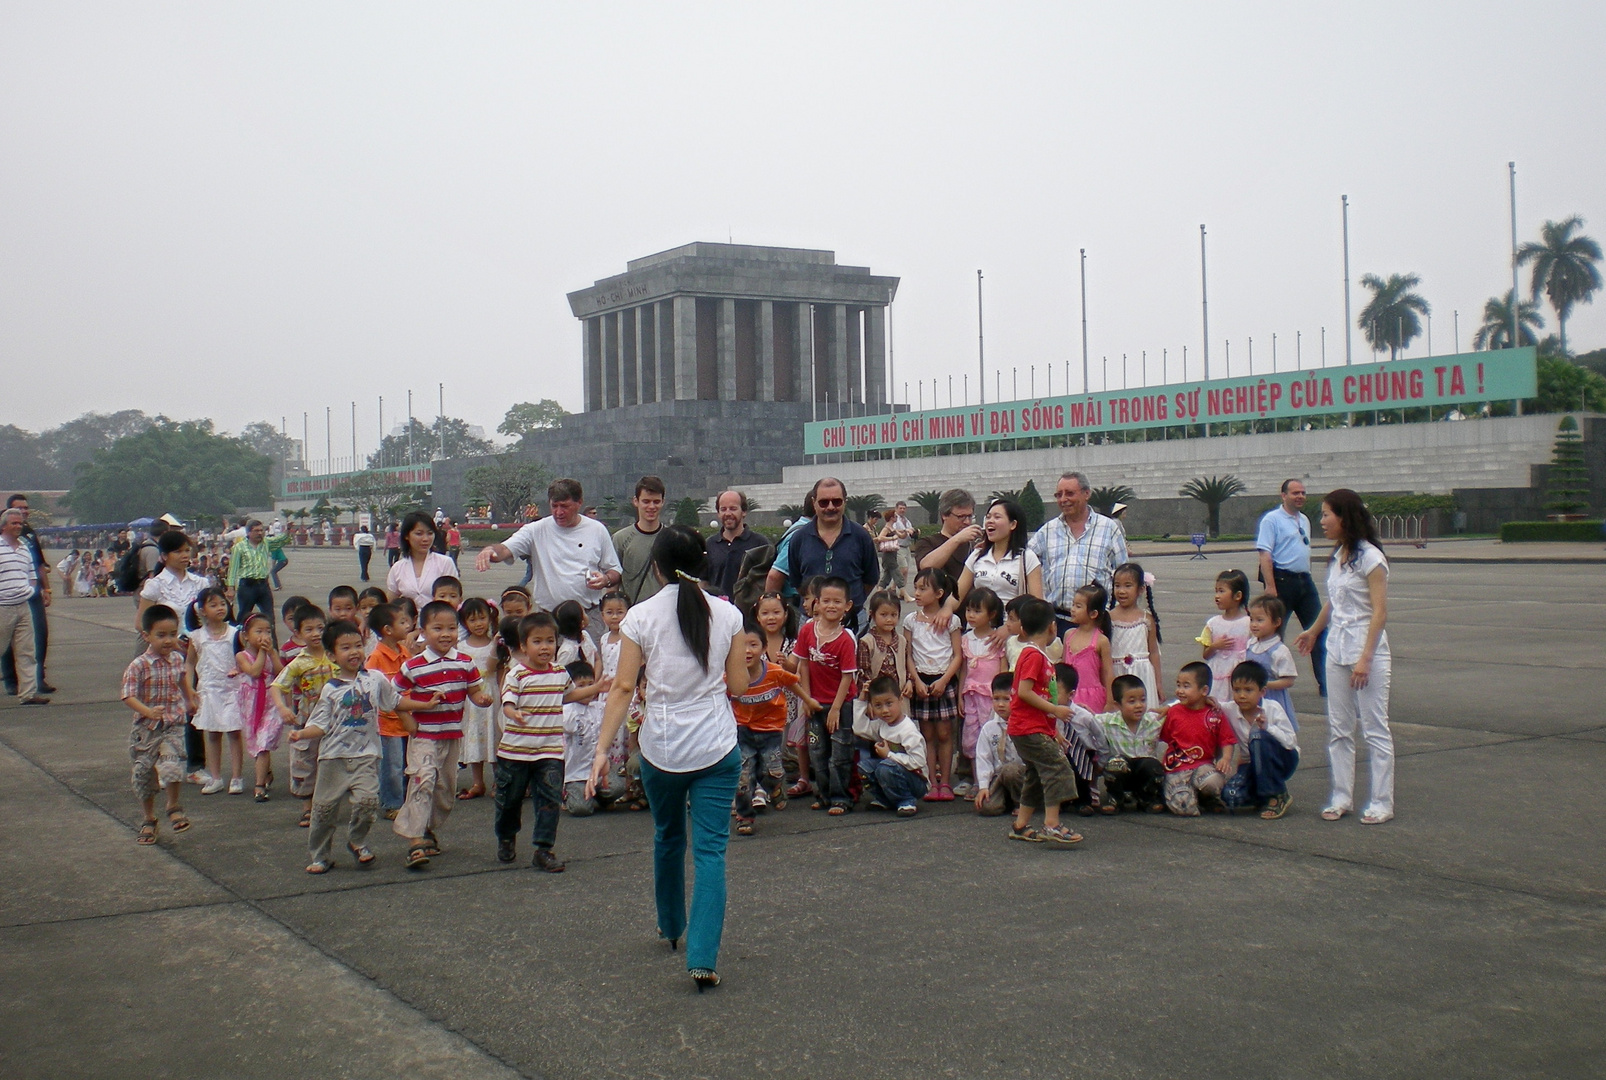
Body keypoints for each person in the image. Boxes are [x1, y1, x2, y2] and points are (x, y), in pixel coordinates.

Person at [585, 526, 749, 991]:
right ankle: (702, 956)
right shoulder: (728, 615)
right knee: (711, 851)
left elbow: (621, 687)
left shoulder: (639, 617)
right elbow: (737, 687)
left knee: (667, 835)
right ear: (703, 563)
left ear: (655, 567)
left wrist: (600, 752)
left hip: (660, 747)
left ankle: (670, 924)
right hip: (716, 746)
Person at [291, 619, 431, 873]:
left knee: (367, 803)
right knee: (324, 810)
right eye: (345, 648)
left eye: (358, 645)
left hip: (367, 755)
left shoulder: (375, 679)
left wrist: (425, 706)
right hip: (334, 757)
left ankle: (357, 841)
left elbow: (396, 702)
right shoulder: (330, 690)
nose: (354, 652)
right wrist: (301, 734)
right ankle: (320, 855)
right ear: (332, 655)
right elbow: (320, 725)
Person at [1296, 488, 1394, 825]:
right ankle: (1342, 796)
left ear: (1344, 517)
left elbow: (1379, 613)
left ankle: (1381, 801)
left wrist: (1366, 658)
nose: (1321, 521)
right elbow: (1333, 601)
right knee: (1339, 728)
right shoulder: (1339, 556)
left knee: (1374, 728)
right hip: (1336, 649)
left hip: (1367, 651)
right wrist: (1313, 631)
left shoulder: (1370, 558)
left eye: (1326, 514)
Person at [392, 600, 495, 867]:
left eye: (451, 627)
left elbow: (474, 690)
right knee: (422, 780)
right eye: (437, 628)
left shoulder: (464, 662)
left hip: (451, 736)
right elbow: (392, 694)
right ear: (423, 631)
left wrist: (481, 698)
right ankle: (415, 841)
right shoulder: (413, 665)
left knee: (444, 790)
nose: (445, 634)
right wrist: (407, 719)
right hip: (424, 735)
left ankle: (426, 828)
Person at [477, 478, 623, 621]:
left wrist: (606, 579)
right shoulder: (536, 530)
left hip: (587, 616)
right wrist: (490, 551)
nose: (558, 512)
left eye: (564, 506)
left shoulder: (597, 530)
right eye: (554, 506)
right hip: (549, 618)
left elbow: (614, 570)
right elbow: (505, 549)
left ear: (579, 503)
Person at [1004, 597, 1083, 846]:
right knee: (1057, 768)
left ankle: (1020, 825)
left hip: (1033, 727)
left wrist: (1053, 731)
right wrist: (1056, 710)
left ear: (1024, 629)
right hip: (1027, 728)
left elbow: (1037, 695)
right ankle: (1052, 824)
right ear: (1052, 627)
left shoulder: (1039, 656)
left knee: (1037, 775)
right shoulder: (1033, 656)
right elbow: (1025, 693)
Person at [121, 604, 196, 844]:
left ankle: (173, 805)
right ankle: (149, 818)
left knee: (173, 763)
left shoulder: (177, 659)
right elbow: (128, 695)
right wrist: (148, 711)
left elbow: (182, 680)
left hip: (172, 723)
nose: (168, 640)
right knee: (143, 773)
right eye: (161, 635)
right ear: (146, 636)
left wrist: (190, 697)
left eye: (172, 634)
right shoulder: (139, 665)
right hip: (145, 730)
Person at [764, 478, 879, 626]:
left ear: (845, 501)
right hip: (810, 623)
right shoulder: (799, 538)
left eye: (836, 501)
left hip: (853, 623)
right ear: (814, 503)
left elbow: (870, 579)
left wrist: (847, 603)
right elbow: (798, 583)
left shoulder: (861, 536)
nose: (830, 507)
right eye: (823, 502)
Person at [1030, 472, 1129, 637]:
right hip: (1056, 623)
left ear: (1086, 494)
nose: (1063, 499)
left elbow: (1124, 574)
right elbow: (1024, 562)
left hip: (1095, 624)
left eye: (1069, 493)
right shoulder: (1047, 531)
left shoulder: (1108, 528)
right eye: (1059, 495)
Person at [729, 619, 803, 835]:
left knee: (771, 771)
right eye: (741, 645)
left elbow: (792, 682)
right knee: (743, 777)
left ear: (763, 648)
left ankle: (774, 787)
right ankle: (744, 816)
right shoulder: (730, 676)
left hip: (771, 732)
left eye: (753, 644)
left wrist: (808, 701)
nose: (747, 650)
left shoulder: (772, 671)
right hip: (743, 732)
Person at [1256, 479, 1327, 696]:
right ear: (1283, 495)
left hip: (1305, 582)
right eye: (1295, 493)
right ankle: (1266, 682)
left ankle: (1326, 684)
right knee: (1273, 634)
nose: (1300, 496)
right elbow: (1265, 554)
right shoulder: (1272, 520)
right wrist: (1270, 587)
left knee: (1319, 631)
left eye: (1303, 493)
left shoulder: (1304, 520)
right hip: (1282, 582)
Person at [796, 577, 859, 815]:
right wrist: (807, 698)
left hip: (840, 705)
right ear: (816, 604)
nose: (831, 606)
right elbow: (803, 666)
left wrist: (835, 709)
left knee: (840, 753)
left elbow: (847, 678)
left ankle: (841, 798)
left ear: (847, 606)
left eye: (837, 601)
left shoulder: (845, 639)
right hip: (814, 701)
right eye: (826, 601)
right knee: (817, 751)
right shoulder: (806, 631)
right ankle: (822, 794)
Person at [271, 606, 332, 822]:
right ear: (298, 634)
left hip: (335, 723)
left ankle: (327, 806)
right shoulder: (299, 663)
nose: (316, 633)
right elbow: (277, 686)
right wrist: (283, 708)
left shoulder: (335, 657)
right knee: (306, 764)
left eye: (320, 628)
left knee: (332, 764)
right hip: (307, 722)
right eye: (309, 629)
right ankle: (308, 808)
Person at [905, 568, 961, 801]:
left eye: (922, 588)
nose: (916, 593)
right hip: (922, 681)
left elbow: (958, 655)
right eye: (915, 588)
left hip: (943, 679)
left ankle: (946, 781)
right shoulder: (910, 620)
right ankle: (931, 782)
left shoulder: (952, 621)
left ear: (939, 593)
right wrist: (915, 679)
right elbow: (907, 653)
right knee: (927, 733)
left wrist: (945, 680)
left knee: (945, 732)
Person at [1219, 661, 1299, 819]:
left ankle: (1276, 795)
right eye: (1237, 690)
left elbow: (1290, 742)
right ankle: (1262, 795)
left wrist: (1268, 728)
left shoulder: (1273, 708)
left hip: (1282, 760)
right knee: (1231, 796)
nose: (1242, 695)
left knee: (1257, 736)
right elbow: (1204, 701)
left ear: (1262, 691)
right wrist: (1170, 707)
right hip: (1252, 764)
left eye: (1248, 690)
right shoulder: (1230, 709)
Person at [1160, 661, 1237, 816]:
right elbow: (1166, 738)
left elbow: (1227, 740)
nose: (1180, 691)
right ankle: (1185, 796)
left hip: (1203, 767)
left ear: (1204, 690)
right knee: (1184, 807)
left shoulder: (1214, 715)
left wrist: (1226, 759)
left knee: (1213, 782)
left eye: (1186, 686)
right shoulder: (1173, 712)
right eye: (1178, 685)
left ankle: (1205, 797)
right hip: (1176, 770)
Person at [1087, 674, 1165, 814]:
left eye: (1143, 700)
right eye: (1132, 701)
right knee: (1115, 762)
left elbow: (1182, 709)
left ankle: (1148, 799)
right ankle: (1116, 800)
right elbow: (1086, 721)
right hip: (1122, 774)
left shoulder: (1154, 720)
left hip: (1144, 774)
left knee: (1152, 764)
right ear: (1118, 705)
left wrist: (1169, 709)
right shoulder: (1107, 722)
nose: (1139, 705)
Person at [364, 603, 414, 819]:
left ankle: (406, 799)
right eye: (402, 622)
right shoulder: (375, 658)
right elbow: (369, 688)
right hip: (387, 722)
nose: (409, 625)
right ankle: (391, 803)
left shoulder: (404, 651)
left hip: (407, 718)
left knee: (407, 763)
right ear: (388, 630)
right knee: (392, 766)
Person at [949, 498, 1043, 611]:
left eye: (997, 517)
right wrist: (945, 610)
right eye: (988, 517)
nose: (990, 521)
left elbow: (1037, 604)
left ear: (1013, 524)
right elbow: (957, 594)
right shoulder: (977, 555)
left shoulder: (1027, 558)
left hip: (1011, 625)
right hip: (979, 626)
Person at [956, 587, 1005, 799]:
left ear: (991, 615)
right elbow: (964, 670)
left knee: (992, 737)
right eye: (968, 610)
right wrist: (960, 694)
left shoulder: (997, 639)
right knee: (972, 738)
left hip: (991, 697)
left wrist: (1003, 697)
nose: (971, 615)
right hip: (971, 695)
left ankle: (997, 781)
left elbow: (1003, 670)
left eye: (977, 611)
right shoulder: (966, 639)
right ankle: (978, 781)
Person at [1, 495, 51, 697]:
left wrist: (39, 590)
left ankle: (29, 691)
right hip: (3, 605)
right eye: (14, 521)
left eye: (24, 511)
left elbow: (35, 569)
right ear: (4, 524)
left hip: (25, 602)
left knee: (28, 649)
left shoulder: (26, 543)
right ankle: (11, 681)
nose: (19, 524)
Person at [561, 659, 623, 816]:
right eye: (581, 686)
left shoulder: (598, 708)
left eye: (591, 684)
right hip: (575, 774)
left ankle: (600, 797)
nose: (588, 690)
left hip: (599, 771)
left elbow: (616, 710)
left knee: (617, 788)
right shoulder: (567, 711)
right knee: (581, 809)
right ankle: (567, 794)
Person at [860, 675, 929, 815]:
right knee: (864, 767)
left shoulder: (908, 730)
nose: (885, 710)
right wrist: (861, 700)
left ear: (900, 700)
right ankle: (885, 799)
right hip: (893, 771)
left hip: (916, 781)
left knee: (885, 767)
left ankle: (906, 801)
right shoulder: (882, 724)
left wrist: (889, 755)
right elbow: (860, 728)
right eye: (878, 705)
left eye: (889, 703)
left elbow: (919, 761)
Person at [456, 598, 500, 801]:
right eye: (472, 620)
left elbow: (493, 670)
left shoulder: (496, 643)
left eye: (482, 618)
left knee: (494, 735)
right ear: (464, 622)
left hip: (492, 693)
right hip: (471, 699)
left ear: (490, 618)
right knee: (474, 737)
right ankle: (477, 782)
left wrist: (495, 646)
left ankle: (498, 781)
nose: (478, 623)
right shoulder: (460, 647)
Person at [1108, 562, 1163, 712]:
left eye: (1128, 586)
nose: (1122, 591)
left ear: (1141, 589)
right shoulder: (1108, 618)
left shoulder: (1146, 618)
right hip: (1117, 673)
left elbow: (1154, 652)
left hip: (1143, 674)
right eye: (1117, 586)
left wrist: (1158, 683)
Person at [972, 672, 1026, 816]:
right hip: (999, 776)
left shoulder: (1026, 725)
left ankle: (1023, 803)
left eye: (1006, 699)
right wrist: (983, 786)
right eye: (996, 699)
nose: (1000, 704)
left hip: (1022, 777)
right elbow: (984, 758)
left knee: (1010, 771)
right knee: (986, 808)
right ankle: (1006, 800)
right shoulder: (989, 728)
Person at [136, 531, 209, 633]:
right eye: (178, 552)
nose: (185, 555)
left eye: (187, 550)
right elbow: (141, 624)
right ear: (164, 556)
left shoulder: (201, 583)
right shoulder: (155, 585)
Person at [1245, 595, 1299, 728]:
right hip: (1252, 698)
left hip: (1273, 700)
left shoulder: (1279, 651)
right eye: (1252, 620)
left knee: (1275, 733)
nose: (1254, 624)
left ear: (1276, 622)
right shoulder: (1250, 644)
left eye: (1260, 620)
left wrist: (1265, 685)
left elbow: (1289, 680)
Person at [704, 490, 769, 601]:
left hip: (750, 613)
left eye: (733, 509)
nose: (728, 513)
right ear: (718, 513)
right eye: (723, 509)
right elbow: (703, 581)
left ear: (744, 511)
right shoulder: (709, 544)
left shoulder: (760, 543)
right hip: (718, 611)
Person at [386, 512, 458, 609]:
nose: (425, 539)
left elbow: (453, 598)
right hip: (408, 622)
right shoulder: (397, 568)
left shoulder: (445, 563)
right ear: (407, 536)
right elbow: (390, 604)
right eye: (419, 534)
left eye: (430, 533)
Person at [226, 519, 290, 630]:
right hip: (247, 586)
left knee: (269, 618)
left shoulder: (266, 543)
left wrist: (288, 531)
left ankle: (272, 645)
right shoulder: (239, 547)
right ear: (249, 533)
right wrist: (230, 587)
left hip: (263, 586)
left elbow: (280, 540)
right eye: (256, 531)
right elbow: (233, 569)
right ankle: (239, 642)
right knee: (243, 617)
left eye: (261, 530)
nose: (260, 533)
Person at [612, 476, 667, 604]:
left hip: (664, 613)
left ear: (663, 502)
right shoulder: (620, 539)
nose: (651, 506)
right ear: (636, 501)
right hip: (632, 612)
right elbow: (614, 581)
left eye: (656, 501)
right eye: (646, 501)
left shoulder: (672, 538)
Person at [1061, 583, 1113, 713]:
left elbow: (1108, 673)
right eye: (1073, 604)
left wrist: (1110, 702)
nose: (1072, 609)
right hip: (1068, 695)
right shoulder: (1068, 635)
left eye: (1078, 606)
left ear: (1093, 613)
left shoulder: (1101, 641)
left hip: (1092, 698)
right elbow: (1063, 667)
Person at [912, 489, 980, 585]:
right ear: (944, 515)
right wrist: (957, 539)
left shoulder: (975, 545)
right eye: (961, 517)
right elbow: (926, 567)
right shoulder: (927, 542)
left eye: (970, 516)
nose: (967, 522)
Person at [1202, 569, 1251, 701]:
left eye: (1222, 591)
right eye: (1216, 591)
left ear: (1237, 595)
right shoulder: (1213, 623)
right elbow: (1205, 654)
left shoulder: (1248, 624)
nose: (1217, 596)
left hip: (1239, 675)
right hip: (1217, 674)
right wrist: (1215, 646)